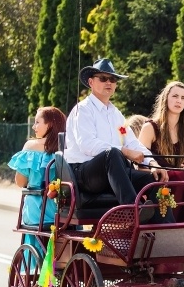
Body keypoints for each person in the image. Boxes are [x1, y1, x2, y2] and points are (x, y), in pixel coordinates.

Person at [63, 58, 172, 222]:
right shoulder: (83, 110)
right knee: (112, 153)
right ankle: (132, 212)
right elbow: (87, 144)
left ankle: (167, 229)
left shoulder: (116, 115)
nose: (109, 82)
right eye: (103, 78)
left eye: (112, 79)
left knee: (152, 179)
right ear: (91, 82)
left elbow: (131, 141)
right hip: (83, 174)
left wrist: (152, 164)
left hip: (112, 174)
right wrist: (124, 151)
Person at [8, 106, 67, 256]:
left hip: (38, 210)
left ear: (50, 124)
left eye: (37, 122)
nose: (34, 127)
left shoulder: (31, 147)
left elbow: (20, 182)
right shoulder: (69, 147)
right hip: (66, 211)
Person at [138, 81, 184, 169]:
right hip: (159, 180)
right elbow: (140, 165)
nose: (179, 101)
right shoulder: (150, 128)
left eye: (183, 98)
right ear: (166, 98)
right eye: (175, 96)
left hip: (182, 178)